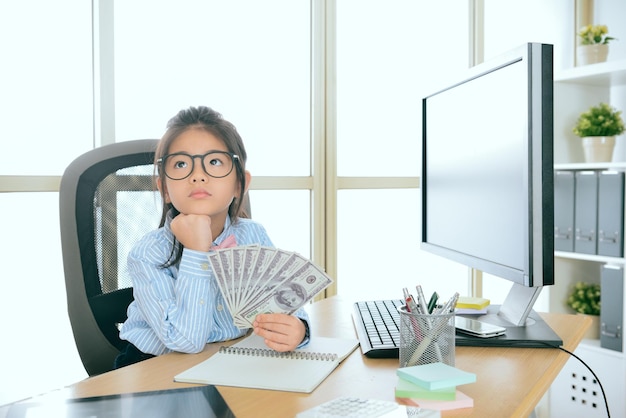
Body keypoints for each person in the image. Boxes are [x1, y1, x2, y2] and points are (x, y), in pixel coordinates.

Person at [115, 106, 309, 368]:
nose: (198, 175)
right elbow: (185, 341)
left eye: (215, 162)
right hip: (154, 365)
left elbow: (286, 302)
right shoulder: (148, 253)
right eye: (181, 164)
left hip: (230, 358)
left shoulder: (253, 235)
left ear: (240, 183)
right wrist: (197, 252)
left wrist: (299, 330)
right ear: (164, 189)